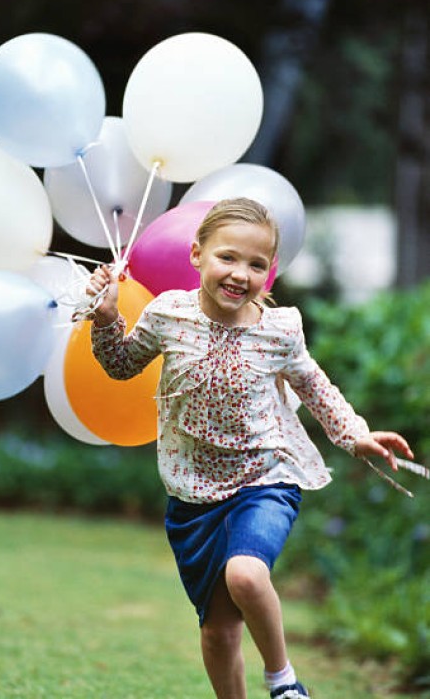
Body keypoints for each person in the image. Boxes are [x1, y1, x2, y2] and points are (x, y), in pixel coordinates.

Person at [85, 197, 413, 699]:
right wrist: (106, 318)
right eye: (228, 258)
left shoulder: (279, 329)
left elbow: (315, 386)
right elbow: (122, 365)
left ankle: (283, 681)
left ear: (271, 272)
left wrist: (355, 434)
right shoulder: (168, 314)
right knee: (219, 632)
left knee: (246, 574)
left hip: (266, 477)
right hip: (193, 493)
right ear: (197, 255)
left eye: (257, 264)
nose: (240, 274)